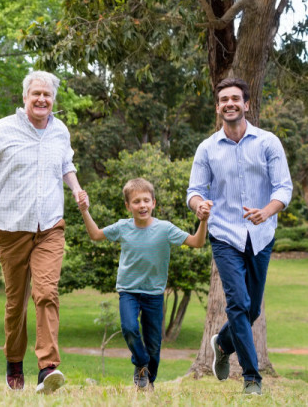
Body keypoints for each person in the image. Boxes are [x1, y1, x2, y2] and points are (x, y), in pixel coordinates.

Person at [0, 71, 84, 394]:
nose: (42, 99)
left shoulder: (59, 130)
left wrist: (76, 189)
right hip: (12, 228)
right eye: (36, 94)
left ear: (53, 99)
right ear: (25, 97)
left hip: (50, 226)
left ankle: (48, 368)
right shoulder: (3, 129)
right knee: (16, 303)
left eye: (47, 94)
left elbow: (66, 164)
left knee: (46, 293)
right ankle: (14, 361)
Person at [187, 78, 292, 396]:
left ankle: (222, 342)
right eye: (223, 100)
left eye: (235, 98)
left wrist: (267, 210)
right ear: (218, 108)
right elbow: (194, 192)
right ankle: (251, 379)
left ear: (247, 104)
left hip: (261, 234)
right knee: (238, 304)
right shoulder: (207, 148)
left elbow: (283, 188)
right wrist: (200, 206)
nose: (229, 103)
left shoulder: (268, 142)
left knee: (252, 310)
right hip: (225, 234)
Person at [77, 178, 210, 391]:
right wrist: (84, 211)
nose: (142, 205)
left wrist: (203, 220)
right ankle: (140, 363)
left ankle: (148, 381)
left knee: (154, 345)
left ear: (154, 203)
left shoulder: (165, 229)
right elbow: (95, 235)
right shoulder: (122, 227)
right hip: (128, 291)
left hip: (154, 294)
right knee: (129, 328)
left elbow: (197, 242)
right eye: (137, 201)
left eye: (146, 200)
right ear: (128, 206)